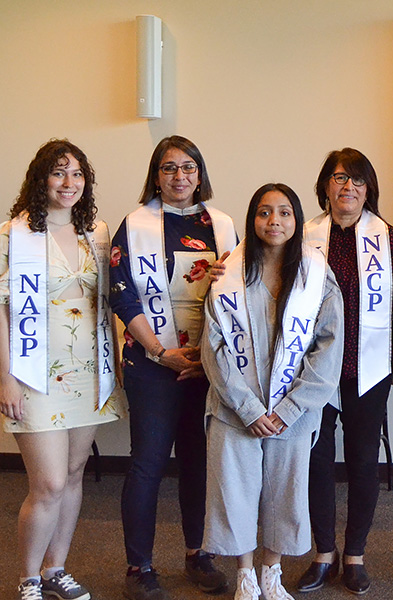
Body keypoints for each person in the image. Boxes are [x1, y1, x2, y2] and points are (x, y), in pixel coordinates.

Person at [202, 183, 343, 600]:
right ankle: (244, 574)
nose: (274, 221)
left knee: (286, 490)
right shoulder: (227, 273)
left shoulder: (317, 274)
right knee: (234, 488)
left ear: (297, 220)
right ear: (252, 219)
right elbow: (214, 347)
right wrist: (247, 407)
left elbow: (328, 345)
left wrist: (292, 407)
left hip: (292, 409)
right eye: (264, 213)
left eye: (284, 213)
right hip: (235, 408)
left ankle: (272, 571)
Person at [110, 135, 237, 600]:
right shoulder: (135, 223)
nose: (179, 176)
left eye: (188, 167)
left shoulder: (222, 226)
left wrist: (206, 357)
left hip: (205, 364)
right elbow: (122, 292)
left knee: (199, 461)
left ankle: (197, 553)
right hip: (153, 361)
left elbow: (240, 294)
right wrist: (161, 352)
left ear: (200, 173)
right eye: (169, 168)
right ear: (155, 175)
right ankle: (138, 566)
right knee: (147, 463)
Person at [0, 140, 123, 600]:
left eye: (76, 174)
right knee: (48, 482)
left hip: (89, 371)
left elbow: (112, 298)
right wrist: (6, 375)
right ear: (40, 179)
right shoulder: (13, 235)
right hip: (33, 373)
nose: (68, 183)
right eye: (58, 173)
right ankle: (28, 578)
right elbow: (1, 309)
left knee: (72, 475)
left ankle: (56, 569)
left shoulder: (98, 231)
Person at [297, 149, 393, 595]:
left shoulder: (386, 237)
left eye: (358, 180)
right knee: (316, 459)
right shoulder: (303, 235)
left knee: (364, 461)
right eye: (340, 178)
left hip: (369, 367)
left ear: (369, 189)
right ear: (326, 185)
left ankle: (355, 555)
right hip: (312, 370)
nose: (348, 188)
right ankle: (323, 553)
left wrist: (392, 358)